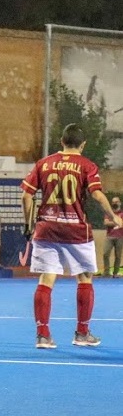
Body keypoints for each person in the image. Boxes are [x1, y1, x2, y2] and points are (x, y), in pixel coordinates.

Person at [21, 123, 122, 349]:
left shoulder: (43, 163)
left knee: (46, 279)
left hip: (46, 228)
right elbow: (97, 195)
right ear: (83, 145)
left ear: (62, 142)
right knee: (85, 278)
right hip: (76, 230)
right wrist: (114, 217)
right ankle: (82, 333)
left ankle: (43, 335)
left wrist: (28, 224)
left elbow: (26, 196)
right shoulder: (87, 165)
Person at [102, 196, 123, 277]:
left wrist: (111, 222)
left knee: (118, 256)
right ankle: (106, 272)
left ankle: (115, 273)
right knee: (105, 254)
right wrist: (118, 222)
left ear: (120, 203)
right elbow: (106, 223)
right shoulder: (109, 213)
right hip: (109, 237)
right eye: (113, 202)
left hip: (120, 237)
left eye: (116, 202)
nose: (114, 203)